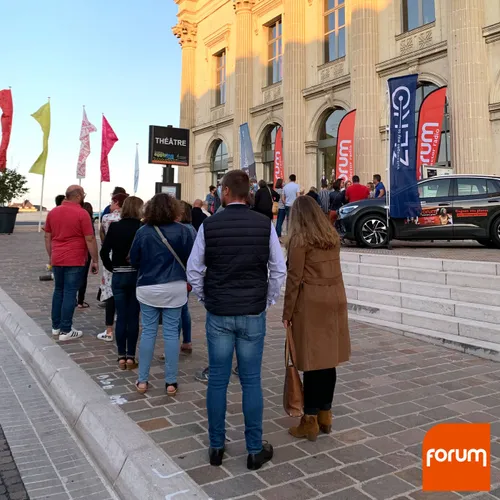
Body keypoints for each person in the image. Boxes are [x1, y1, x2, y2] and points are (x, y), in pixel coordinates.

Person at [187, 170, 286, 471]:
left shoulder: (209, 224)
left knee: (217, 380)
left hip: (219, 313)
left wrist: (207, 298)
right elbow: (279, 270)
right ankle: (254, 450)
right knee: (251, 380)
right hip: (252, 313)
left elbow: (193, 270)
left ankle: (217, 447)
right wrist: (266, 300)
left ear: (227, 192)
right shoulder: (264, 224)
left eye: (220, 189)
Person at [282, 195, 350, 442]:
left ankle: (309, 419)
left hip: (311, 304)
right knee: (328, 361)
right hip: (335, 300)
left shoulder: (300, 240)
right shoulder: (331, 237)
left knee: (312, 362)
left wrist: (287, 313)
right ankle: (325, 413)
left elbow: (294, 279)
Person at [130, 193, 195, 396]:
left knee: (148, 331)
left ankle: (142, 380)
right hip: (175, 285)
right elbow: (192, 259)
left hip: (148, 285)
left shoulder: (143, 232)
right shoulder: (183, 231)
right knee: (170, 332)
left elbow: (134, 259)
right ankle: (171, 382)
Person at [44, 185, 99, 341]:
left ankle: (56, 327)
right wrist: (95, 260)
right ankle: (66, 329)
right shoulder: (82, 213)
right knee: (70, 292)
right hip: (74, 258)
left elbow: (47, 237)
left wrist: (51, 255)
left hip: (57, 257)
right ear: (79, 196)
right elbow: (90, 238)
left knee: (58, 291)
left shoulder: (53, 212)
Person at [100, 196, 144, 370]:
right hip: (136, 275)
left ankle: (120, 356)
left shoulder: (115, 227)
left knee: (121, 316)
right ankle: (131, 356)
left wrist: (112, 267)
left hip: (118, 275)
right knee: (133, 316)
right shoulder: (142, 227)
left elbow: (104, 252)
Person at [98, 193, 129, 343]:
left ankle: (109, 329)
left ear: (116, 202)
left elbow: (102, 236)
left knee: (110, 291)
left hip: (110, 257)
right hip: (127, 260)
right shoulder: (131, 220)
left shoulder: (107, 218)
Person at [178, 201, 197, 354]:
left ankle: (176, 341)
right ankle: (187, 341)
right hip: (189, 273)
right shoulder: (192, 229)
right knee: (184, 308)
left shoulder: (181, 230)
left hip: (179, 274)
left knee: (177, 309)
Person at [77, 202, 95, 309]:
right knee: (83, 277)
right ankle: (80, 301)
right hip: (85, 251)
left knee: (74, 276)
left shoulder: (76, 218)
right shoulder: (89, 221)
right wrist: (95, 258)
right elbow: (90, 238)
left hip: (75, 250)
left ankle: (73, 299)